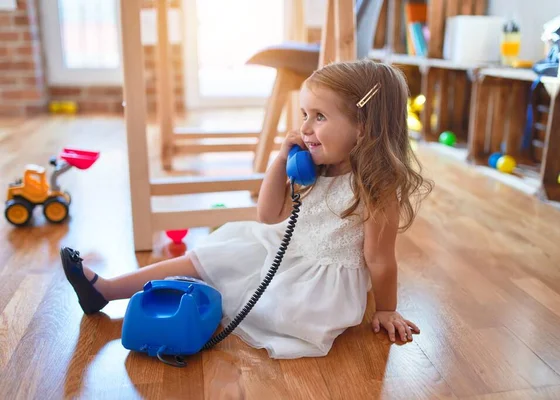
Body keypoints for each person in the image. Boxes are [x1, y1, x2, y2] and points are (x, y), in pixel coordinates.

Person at [61, 59, 433, 359]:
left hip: (319, 277)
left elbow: (381, 261)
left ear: (364, 128)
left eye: (319, 117)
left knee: (277, 309)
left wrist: (385, 309)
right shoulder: (315, 167)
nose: (305, 127)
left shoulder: (376, 189)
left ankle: (194, 304)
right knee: (211, 254)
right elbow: (268, 216)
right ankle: (107, 290)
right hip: (280, 246)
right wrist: (281, 161)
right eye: (305, 114)